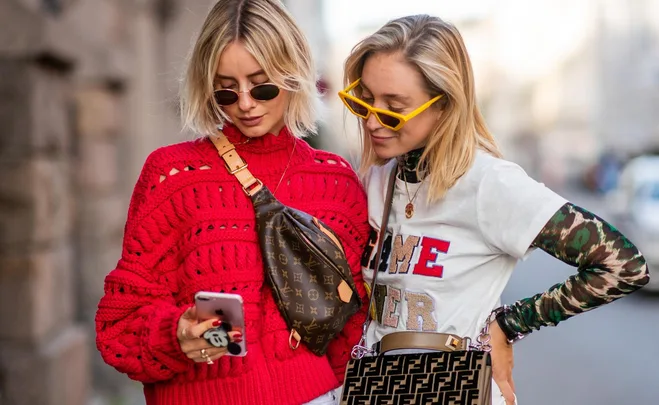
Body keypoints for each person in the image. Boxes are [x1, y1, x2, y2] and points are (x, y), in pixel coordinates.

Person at [339, 14, 649, 405]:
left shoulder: (490, 183)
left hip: (454, 388)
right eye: (363, 99)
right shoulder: (379, 180)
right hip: (378, 386)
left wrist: (510, 324)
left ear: (444, 107)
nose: (370, 120)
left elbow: (623, 264)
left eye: (392, 108)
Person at [95, 1, 369, 404]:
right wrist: (177, 333)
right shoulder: (172, 175)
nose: (245, 103)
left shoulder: (336, 181)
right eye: (226, 88)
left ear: (293, 75)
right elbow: (118, 326)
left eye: (262, 86)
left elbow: (353, 329)